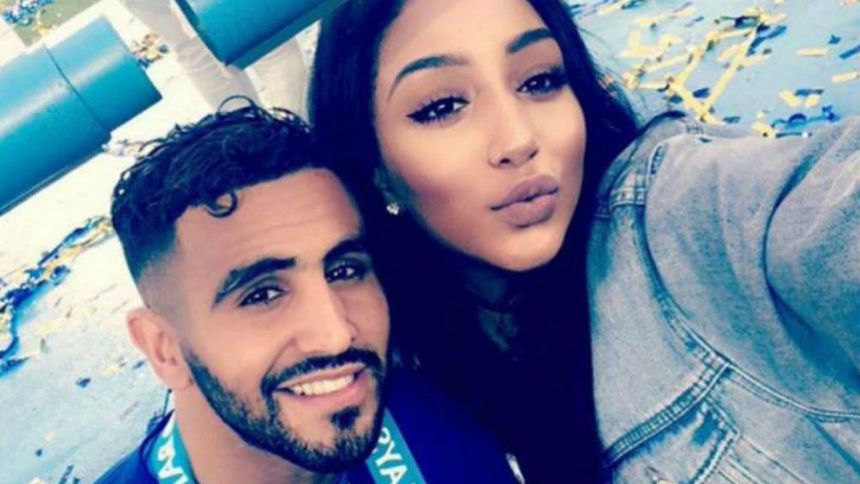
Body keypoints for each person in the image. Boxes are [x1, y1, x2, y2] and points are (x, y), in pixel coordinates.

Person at [309, 0, 860, 482]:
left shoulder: (677, 216)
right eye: (442, 106)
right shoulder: (376, 352)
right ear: (377, 171)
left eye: (539, 81)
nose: (518, 139)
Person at [99, 99, 519, 484]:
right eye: (262, 295)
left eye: (344, 270)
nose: (335, 336)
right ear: (164, 349)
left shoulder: (437, 426)